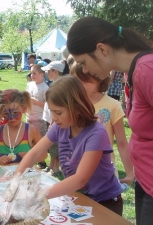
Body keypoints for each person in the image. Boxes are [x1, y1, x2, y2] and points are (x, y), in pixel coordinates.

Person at [67, 16, 153, 225]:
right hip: (151, 183)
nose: (83, 70)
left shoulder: (149, 69)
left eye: (83, 62)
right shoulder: (133, 71)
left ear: (101, 49)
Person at [15, 75, 123, 215]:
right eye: (51, 112)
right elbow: (35, 153)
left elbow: (80, 179)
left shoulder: (96, 133)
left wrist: (38, 195)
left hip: (105, 202)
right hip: (79, 198)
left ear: (76, 107)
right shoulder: (60, 126)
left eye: (58, 112)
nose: (53, 118)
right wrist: (16, 180)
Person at [71, 62, 134, 190]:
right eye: (76, 81)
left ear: (100, 78)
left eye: (85, 80)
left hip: (103, 174)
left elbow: (121, 142)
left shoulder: (112, 105)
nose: (80, 85)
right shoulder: (71, 104)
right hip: (75, 173)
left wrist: (129, 173)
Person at [0, 89, 43, 165]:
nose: (11, 118)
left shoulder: (32, 130)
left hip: (26, 176)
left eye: (15, 112)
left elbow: (43, 154)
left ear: (24, 109)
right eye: (6, 113)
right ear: (1, 112)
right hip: (5, 175)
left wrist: (31, 157)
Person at [40, 60, 65, 176]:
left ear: (55, 71)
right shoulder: (54, 83)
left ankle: (55, 168)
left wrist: (52, 122)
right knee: (51, 144)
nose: (47, 73)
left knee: (55, 144)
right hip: (48, 117)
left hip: (54, 120)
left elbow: (58, 107)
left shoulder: (60, 85)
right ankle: (51, 165)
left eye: (48, 71)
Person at [26, 64, 49, 169]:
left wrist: (35, 102)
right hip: (29, 117)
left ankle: (41, 161)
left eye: (34, 73)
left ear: (42, 74)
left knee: (39, 141)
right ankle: (30, 160)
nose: (32, 75)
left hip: (39, 119)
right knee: (29, 140)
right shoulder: (30, 85)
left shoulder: (45, 88)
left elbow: (47, 104)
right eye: (31, 73)